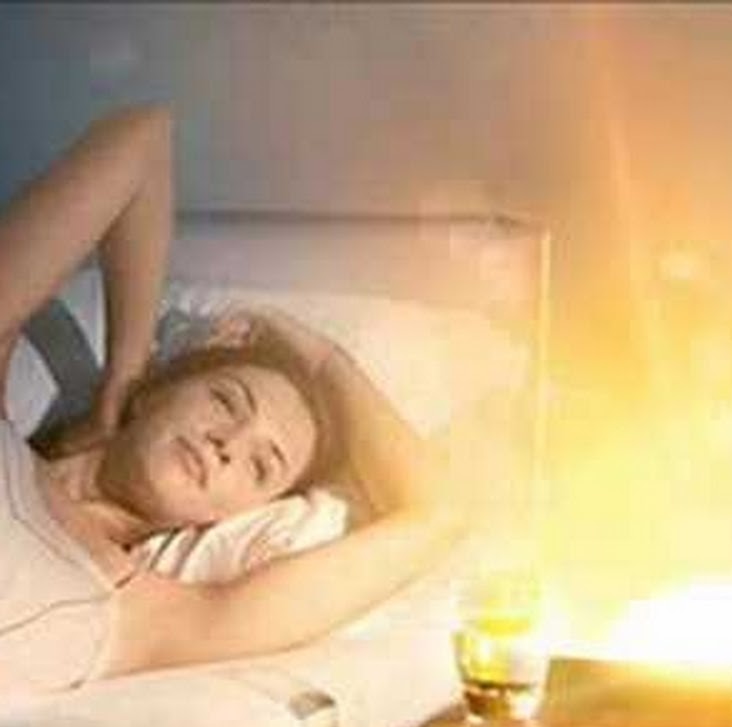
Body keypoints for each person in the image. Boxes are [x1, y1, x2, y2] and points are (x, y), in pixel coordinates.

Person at [0, 106, 467, 696]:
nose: (228, 444)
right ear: (158, 389)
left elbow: (438, 515)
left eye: (261, 465)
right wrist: (121, 381)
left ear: (234, 516)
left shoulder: (156, 621)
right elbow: (143, 138)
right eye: (225, 402)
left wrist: (328, 359)